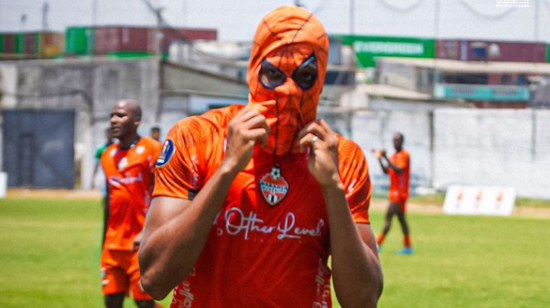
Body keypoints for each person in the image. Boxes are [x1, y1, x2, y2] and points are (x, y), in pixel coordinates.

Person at [139, 5, 383, 308]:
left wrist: (332, 188)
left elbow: (363, 300)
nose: (289, 90)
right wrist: (227, 169)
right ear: (253, 70)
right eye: (273, 74)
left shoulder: (341, 159)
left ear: (320, 79)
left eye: (305, 76)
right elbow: (154, 279)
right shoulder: (198, 138)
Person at [100, 99, 163, 308]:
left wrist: (148, 230)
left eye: (121, 115)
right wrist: (104, 242)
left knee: (144, 303)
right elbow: (109, 202)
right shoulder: (107, 155)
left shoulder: (152, 150)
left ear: (137, 121)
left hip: (140, 243)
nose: (114, 120)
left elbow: (163, 195)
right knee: (111, 301)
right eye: (112, 116)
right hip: (112, 245)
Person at [372, 132, 412, 255]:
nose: (395, 142)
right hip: (393, 192)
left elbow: (399, 170)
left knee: (388, 217)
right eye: (394, 140)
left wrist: (384, 157)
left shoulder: (404, 155)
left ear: (402, 141)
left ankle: (378, 244)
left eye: (397, 140)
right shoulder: (394, 156)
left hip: (399, 193)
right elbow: (386, 170)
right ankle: (408, 247)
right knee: (401, 220)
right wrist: (379, 158)